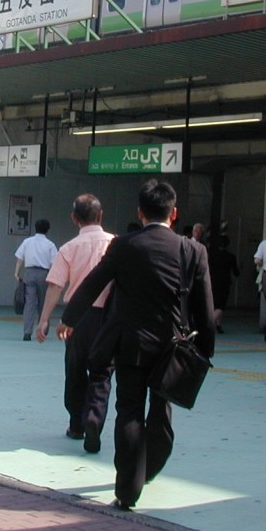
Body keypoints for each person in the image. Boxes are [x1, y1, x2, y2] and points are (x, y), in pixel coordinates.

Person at [56, 180, 214, 511]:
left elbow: (92, 283)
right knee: (162, 410)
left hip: (130, 344)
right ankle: (151, 467)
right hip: (173, 348)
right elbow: (204, 307)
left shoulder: (124, 245)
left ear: (139, 212)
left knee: (128, 411)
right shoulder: (192, 250)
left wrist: (69, 318)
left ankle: (127, 490)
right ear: (174, 213)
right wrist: (205, 352)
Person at [36, 194, 115, 453]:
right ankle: (95, 417)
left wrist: (44, 320)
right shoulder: (115, 244)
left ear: (74, 219)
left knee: (75, 369)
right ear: (100, 216)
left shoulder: (68, 248)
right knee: (102, 372)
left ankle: (76, 424)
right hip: (107, 318)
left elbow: (56, 286)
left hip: (76, 319)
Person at [13, 219, 58, 341]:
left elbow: (20, 259)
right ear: (47, 229)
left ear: (35, 228)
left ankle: (27, 332)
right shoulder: (50, 245)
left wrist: (17, 273)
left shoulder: (27, 242)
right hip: (44, 274)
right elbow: (54, 264)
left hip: (29, 272)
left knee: (30, 303)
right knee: (44, 302)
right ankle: (43, 329)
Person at [206, 230, 239, 333]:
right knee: (221, 306)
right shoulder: (230, 256)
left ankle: (219, 325)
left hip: (211, 281)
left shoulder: (211, 255)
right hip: (224, 283)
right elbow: (236, 272)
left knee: (213, 304)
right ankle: (209, 322)